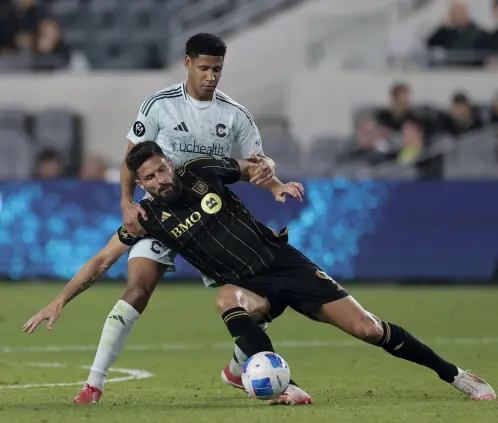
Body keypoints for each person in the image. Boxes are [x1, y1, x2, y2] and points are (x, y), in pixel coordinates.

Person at [25, 142, 496, 404]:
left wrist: (271, 178)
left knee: (369, 329)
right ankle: (280, 386)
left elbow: (250, 168)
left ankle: (454, 375)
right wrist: (60, 299)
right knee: (225, 299)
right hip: (250, 288)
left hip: (284, 264)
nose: (161, 179)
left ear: (169, 164)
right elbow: (101, 261)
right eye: (150, 178)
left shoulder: (198, 172)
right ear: (141, 186)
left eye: (162, 169)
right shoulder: (146, 219)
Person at [47, 32, 294, 404]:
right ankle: (93, 384)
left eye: (218, 70)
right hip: (160, 215)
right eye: (205, 68)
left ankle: (236, 368)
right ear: (188, 63)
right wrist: (127, 203)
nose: (211, 76)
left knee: (256, 301)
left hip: (211, 218)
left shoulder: (235, 114)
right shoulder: (160, 105)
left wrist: (272, 179)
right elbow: (133, 156)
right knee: (137, 290)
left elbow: (256, 166)